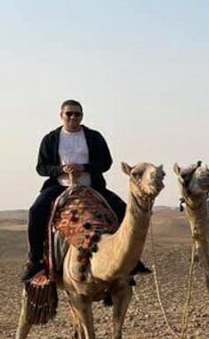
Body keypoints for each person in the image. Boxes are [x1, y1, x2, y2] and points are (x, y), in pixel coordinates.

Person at [21, 99, 149, 281]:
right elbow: (41, 168)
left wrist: (84, 167)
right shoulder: (50, 139)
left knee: (122, 209)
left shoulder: (94, 137)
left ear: (82, 116)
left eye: (77, 114)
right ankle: (35, 260)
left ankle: (132, 260)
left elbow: (106, 163)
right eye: (69, 114)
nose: (73, 117)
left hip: (91, 185)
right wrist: (60, 169)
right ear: (61, 116)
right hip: (60, 186)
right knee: (36, 211)